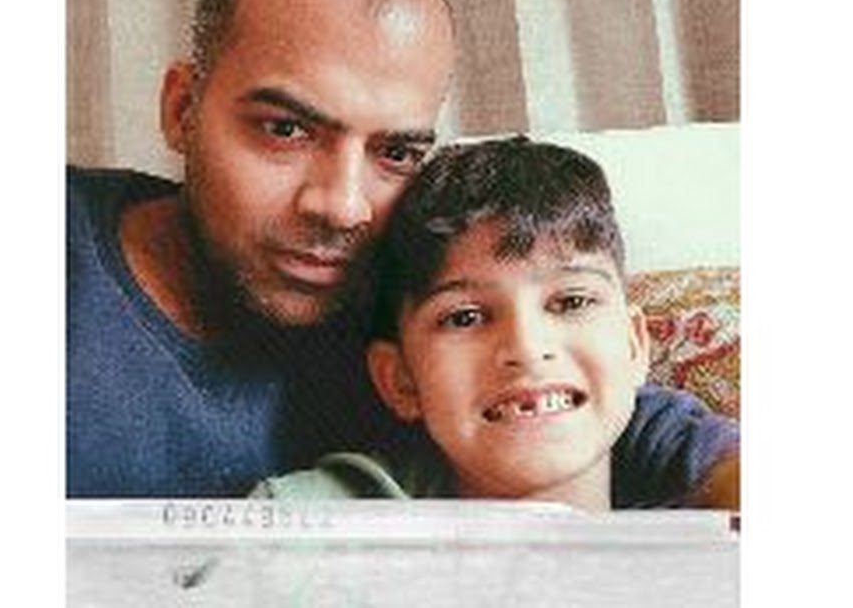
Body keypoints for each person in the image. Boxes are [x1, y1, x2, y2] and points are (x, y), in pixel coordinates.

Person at [67, 0, 738, 502]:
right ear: (182, 108)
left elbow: (614, 417)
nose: (342, 206)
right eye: (285, 130)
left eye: (394, 153)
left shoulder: (398, 282)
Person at [252, 137, 739, 508]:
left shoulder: (698, 490)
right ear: (400, 380)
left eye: (572, 301)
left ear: (634, 345)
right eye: (465, 317)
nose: (526, 348)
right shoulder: (322, 520)